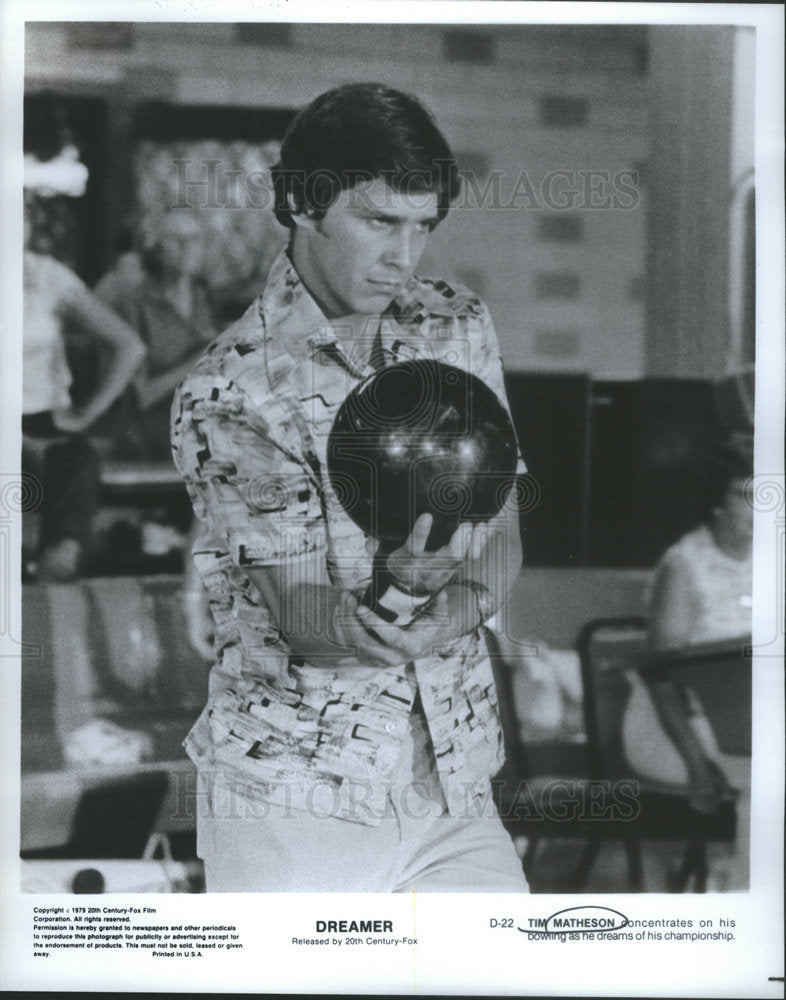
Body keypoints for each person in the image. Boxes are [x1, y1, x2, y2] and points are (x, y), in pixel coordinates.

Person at [171, 83, 528, 892]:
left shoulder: (456, 324)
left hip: (453, 779)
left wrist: (456, 608)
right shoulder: (231, 390)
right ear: (303, 201)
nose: (405, 257)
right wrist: (402, 595)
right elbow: (303, 617)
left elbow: (502, 520)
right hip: (294, 797)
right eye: (380, 223)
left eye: (423, 227)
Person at [621, 433, 753, 889]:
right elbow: (659, 676)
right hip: (672, 730)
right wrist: (697, 767)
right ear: (716, 501)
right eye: (749, 494)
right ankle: (747, 905)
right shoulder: (684, 564)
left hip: (742, 725)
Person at [22, 190, 146, 580]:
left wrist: (86, 414)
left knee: (78, 460)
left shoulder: (46, 278)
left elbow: (129, 345)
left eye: (20, 215)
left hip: (41, 424)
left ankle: (53, 581)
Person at [95, 208, 218, 460]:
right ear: (154, 247)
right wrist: (203, 357)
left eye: (195, 238)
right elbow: (141, 397)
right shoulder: (134, 302)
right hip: (150, 427)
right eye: (176, 239)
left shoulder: (203, 295)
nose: (188, 247)